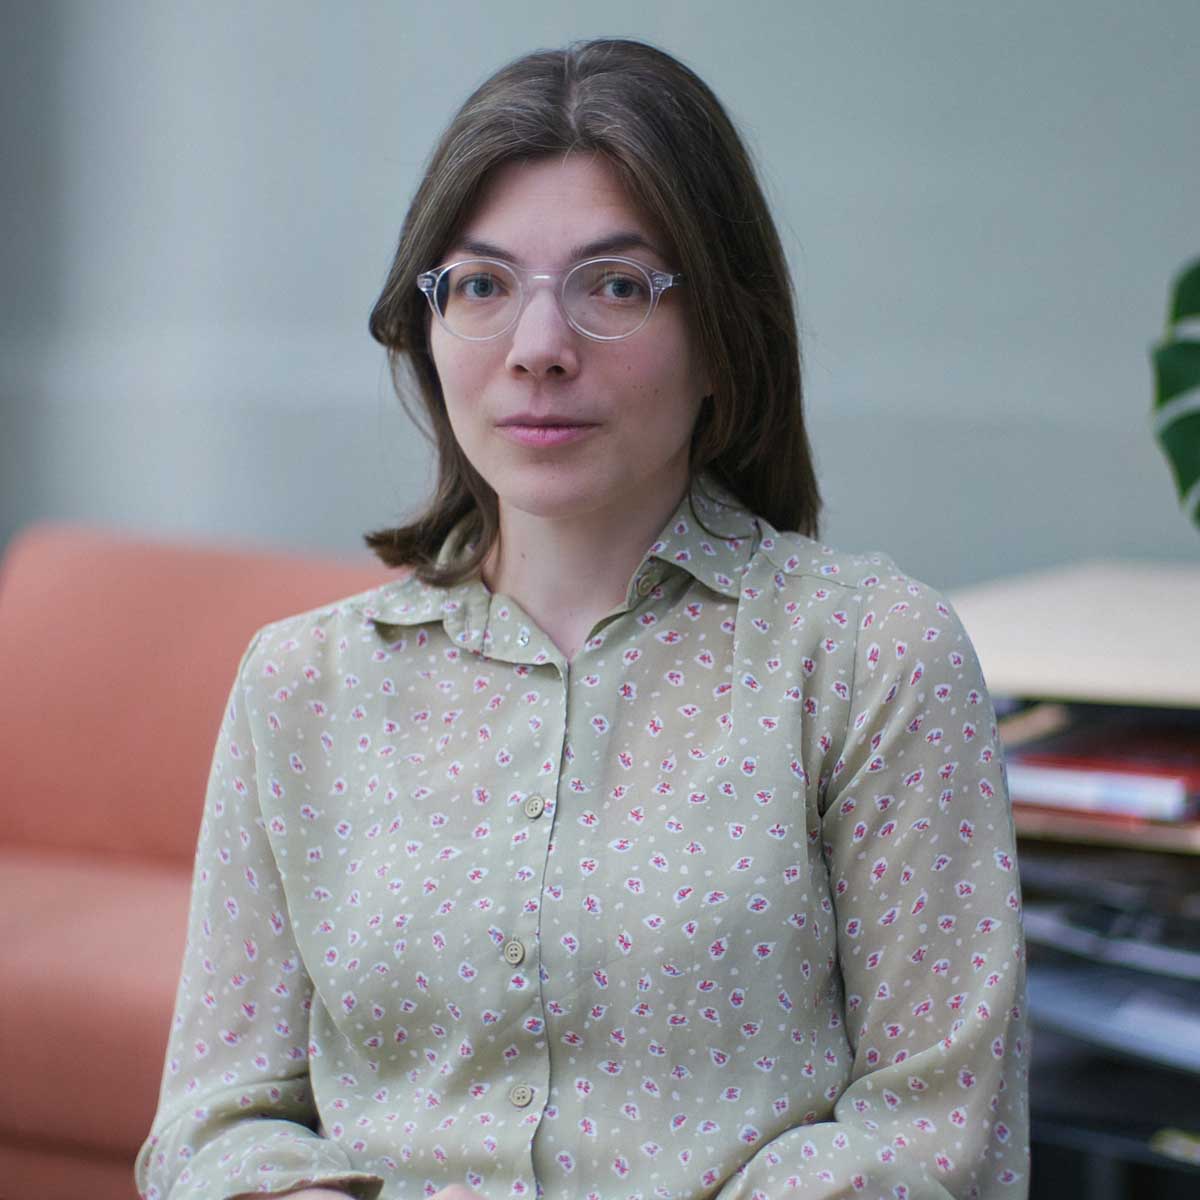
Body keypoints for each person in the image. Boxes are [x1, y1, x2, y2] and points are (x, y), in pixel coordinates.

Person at [136, 37, 1029, 1200]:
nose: (539, 350)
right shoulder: (300, 683)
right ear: (427, 330)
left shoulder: (873, 657)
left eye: (615, 286)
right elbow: (212, 1125)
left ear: (723, 339)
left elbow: (935, 1137)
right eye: (482, 286)